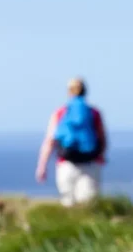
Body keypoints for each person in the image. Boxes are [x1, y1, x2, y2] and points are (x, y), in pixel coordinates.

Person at [36, 77, 108, 205]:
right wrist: (101, 156)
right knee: (88, 205)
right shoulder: (94, 113)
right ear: (85, 91)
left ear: (69, 92)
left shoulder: (60, 113)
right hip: (90, 163)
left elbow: (50, 141)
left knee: (68, 202)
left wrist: (42, 166)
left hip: (66, 163)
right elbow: (102, 138)